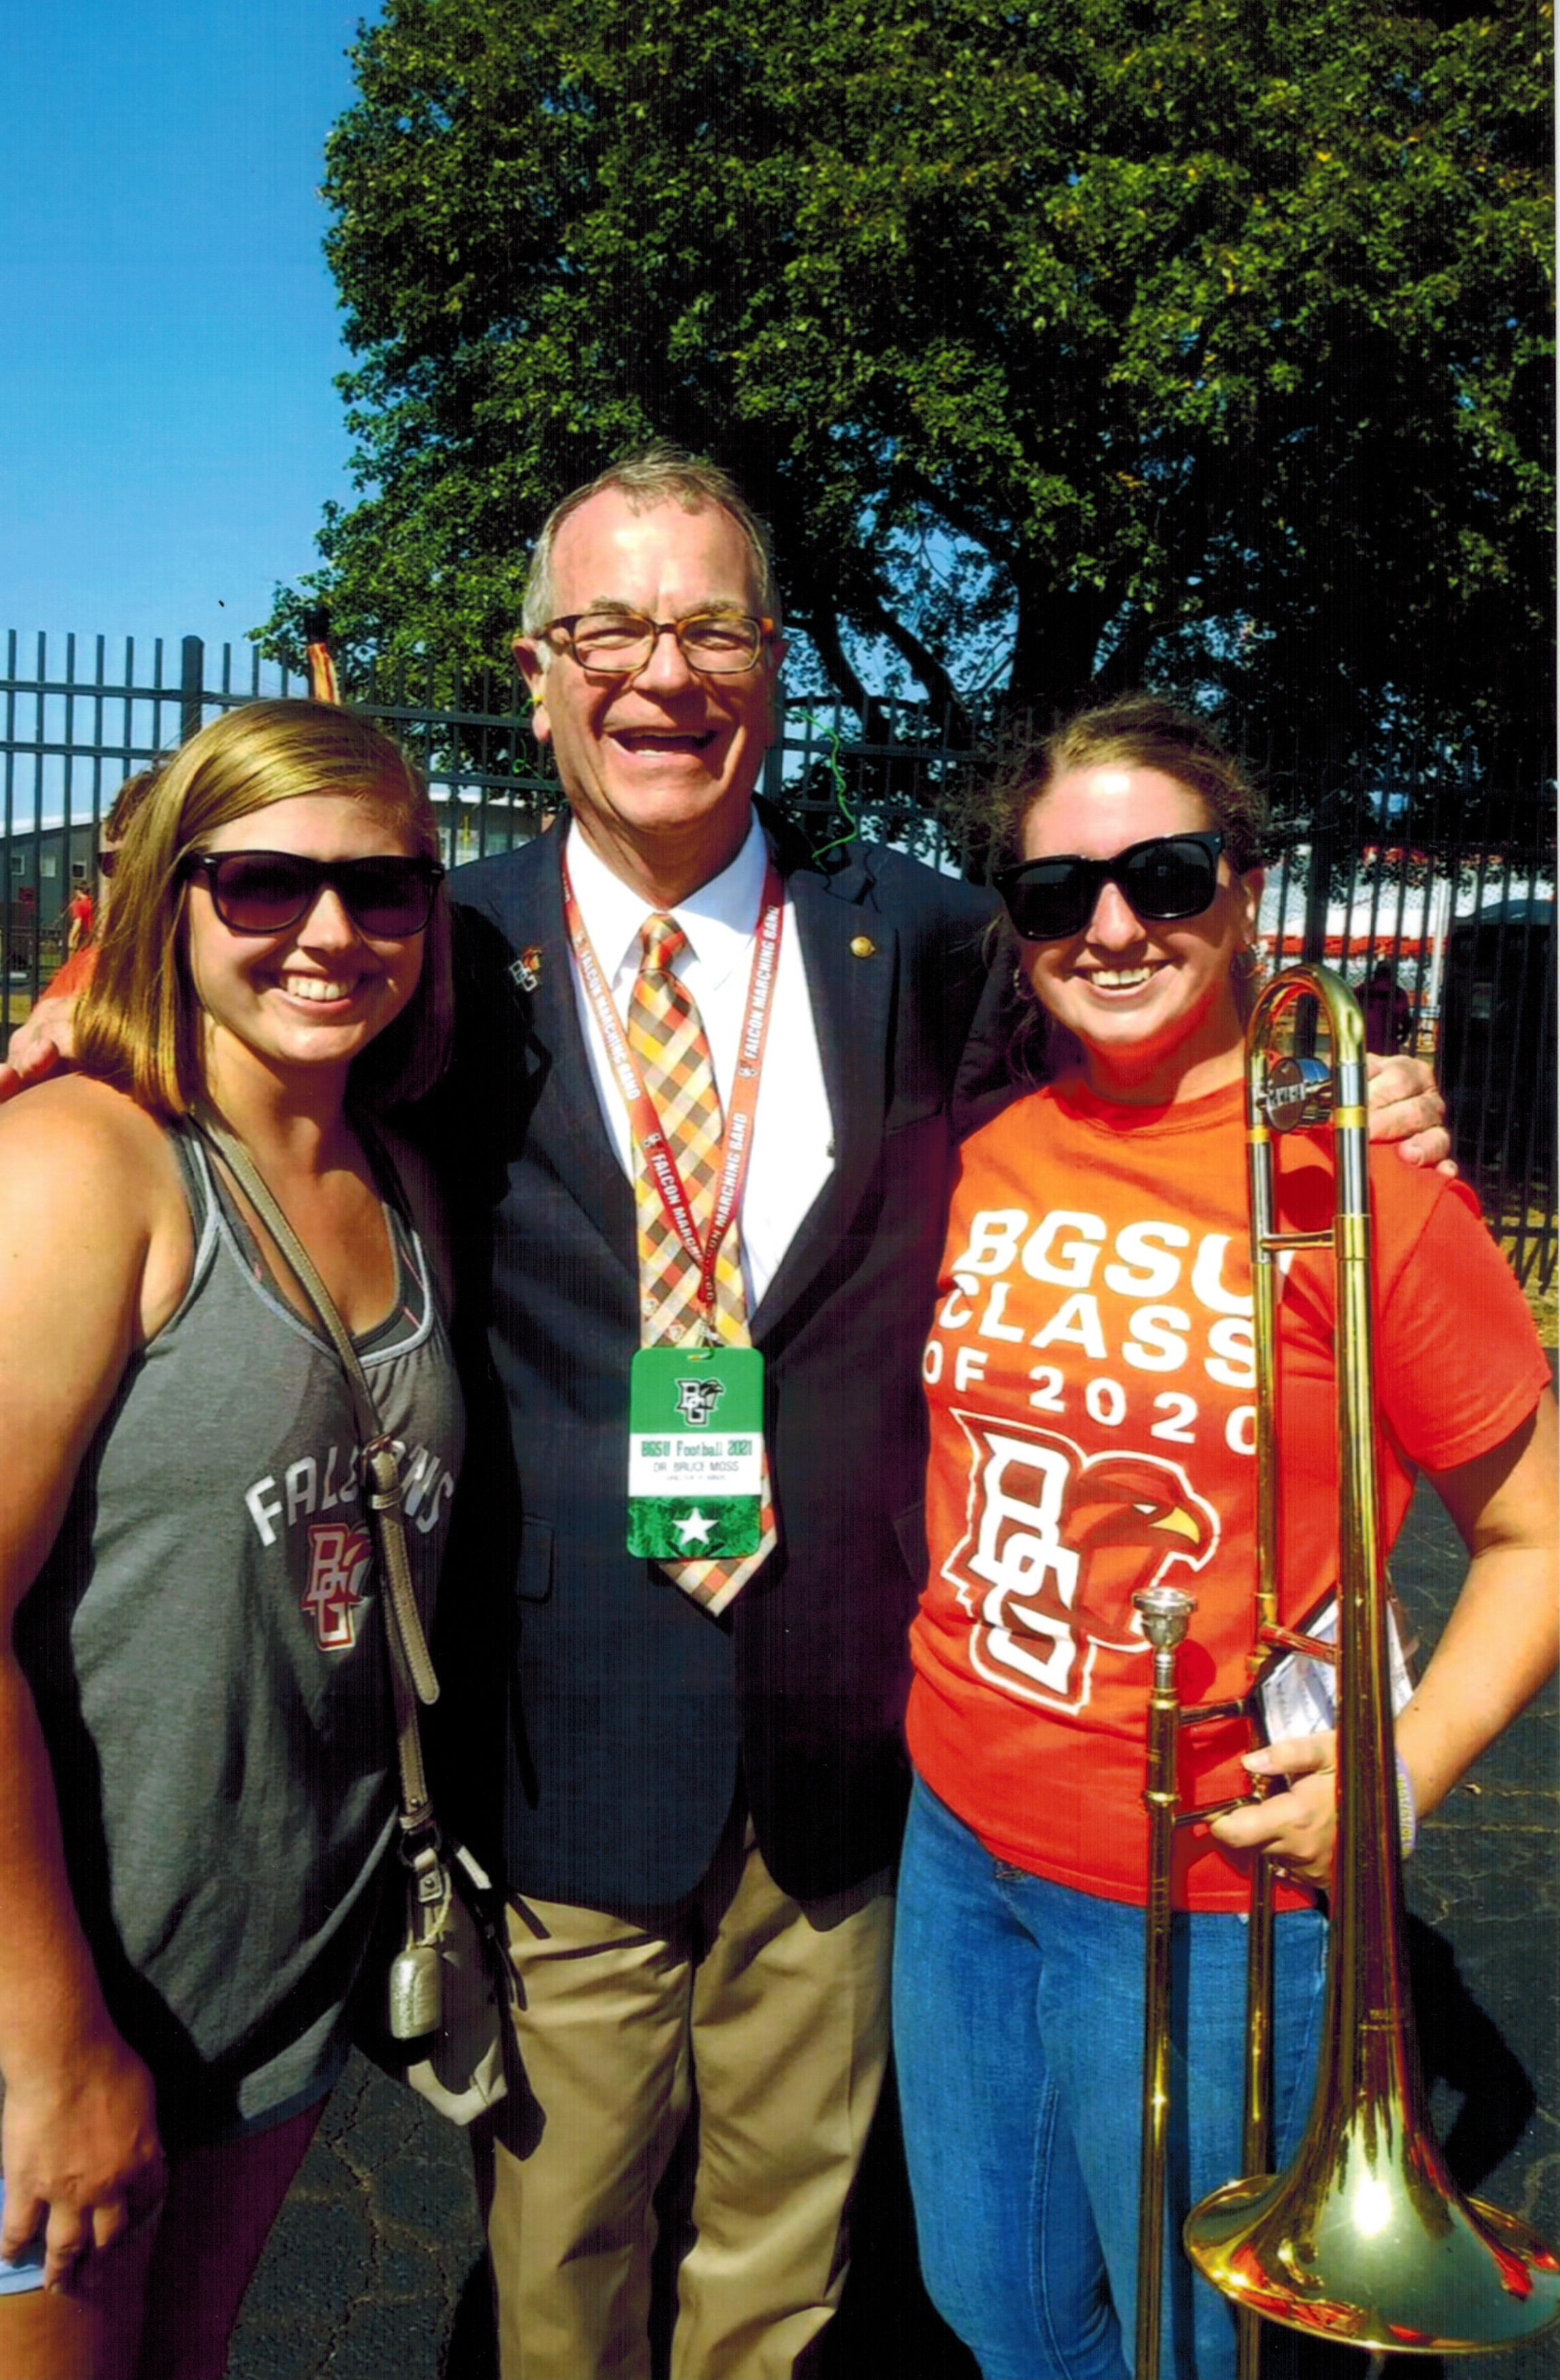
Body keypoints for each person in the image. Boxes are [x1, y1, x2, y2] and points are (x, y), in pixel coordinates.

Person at [0, 456, 1452, 2380]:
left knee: (784, 2280)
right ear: (535, 673)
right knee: (559, 2277)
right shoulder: (432, 948)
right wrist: (81, 1024)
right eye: (608, 628)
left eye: (711, 627)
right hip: (562, 1744)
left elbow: (1135, 1035)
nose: (660, 673)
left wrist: (1358, 1094)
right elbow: (247, 1055)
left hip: (848, 1747)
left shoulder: (921, 940)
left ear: (773, 665)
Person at [891, 695, 1557, 2380]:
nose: (1109, 926)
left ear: (1243, 883)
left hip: (1204, 1895)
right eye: (1055, 896)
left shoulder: (1368, 1184)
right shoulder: (991, 1149)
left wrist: (1398, 1773)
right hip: (959, 1838)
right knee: (1002, 2313)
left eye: (1162, 874)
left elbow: (1540, 1531)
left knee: (1193, 2350)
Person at [0, 699, 460, 2379]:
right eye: (261, 884)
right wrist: (46, 2042)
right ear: (170, 899)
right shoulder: (79, 1166)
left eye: (384, 887)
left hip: (264, 1995)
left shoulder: (401, 1176)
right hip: (59, 2009)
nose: (329, 932)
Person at [47, 771, 160, 1006]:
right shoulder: (84, 976)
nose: (130, 881)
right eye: (115, 863)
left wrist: (71, 941)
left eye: (153, 862)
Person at [1361, 957, 1414, 1055]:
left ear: (1375, 974)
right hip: (1388, 1041)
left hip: (1364, 1039)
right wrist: (1404, 1035)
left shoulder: (1361, 990)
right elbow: (1405, 1018)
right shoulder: (1398, 993)